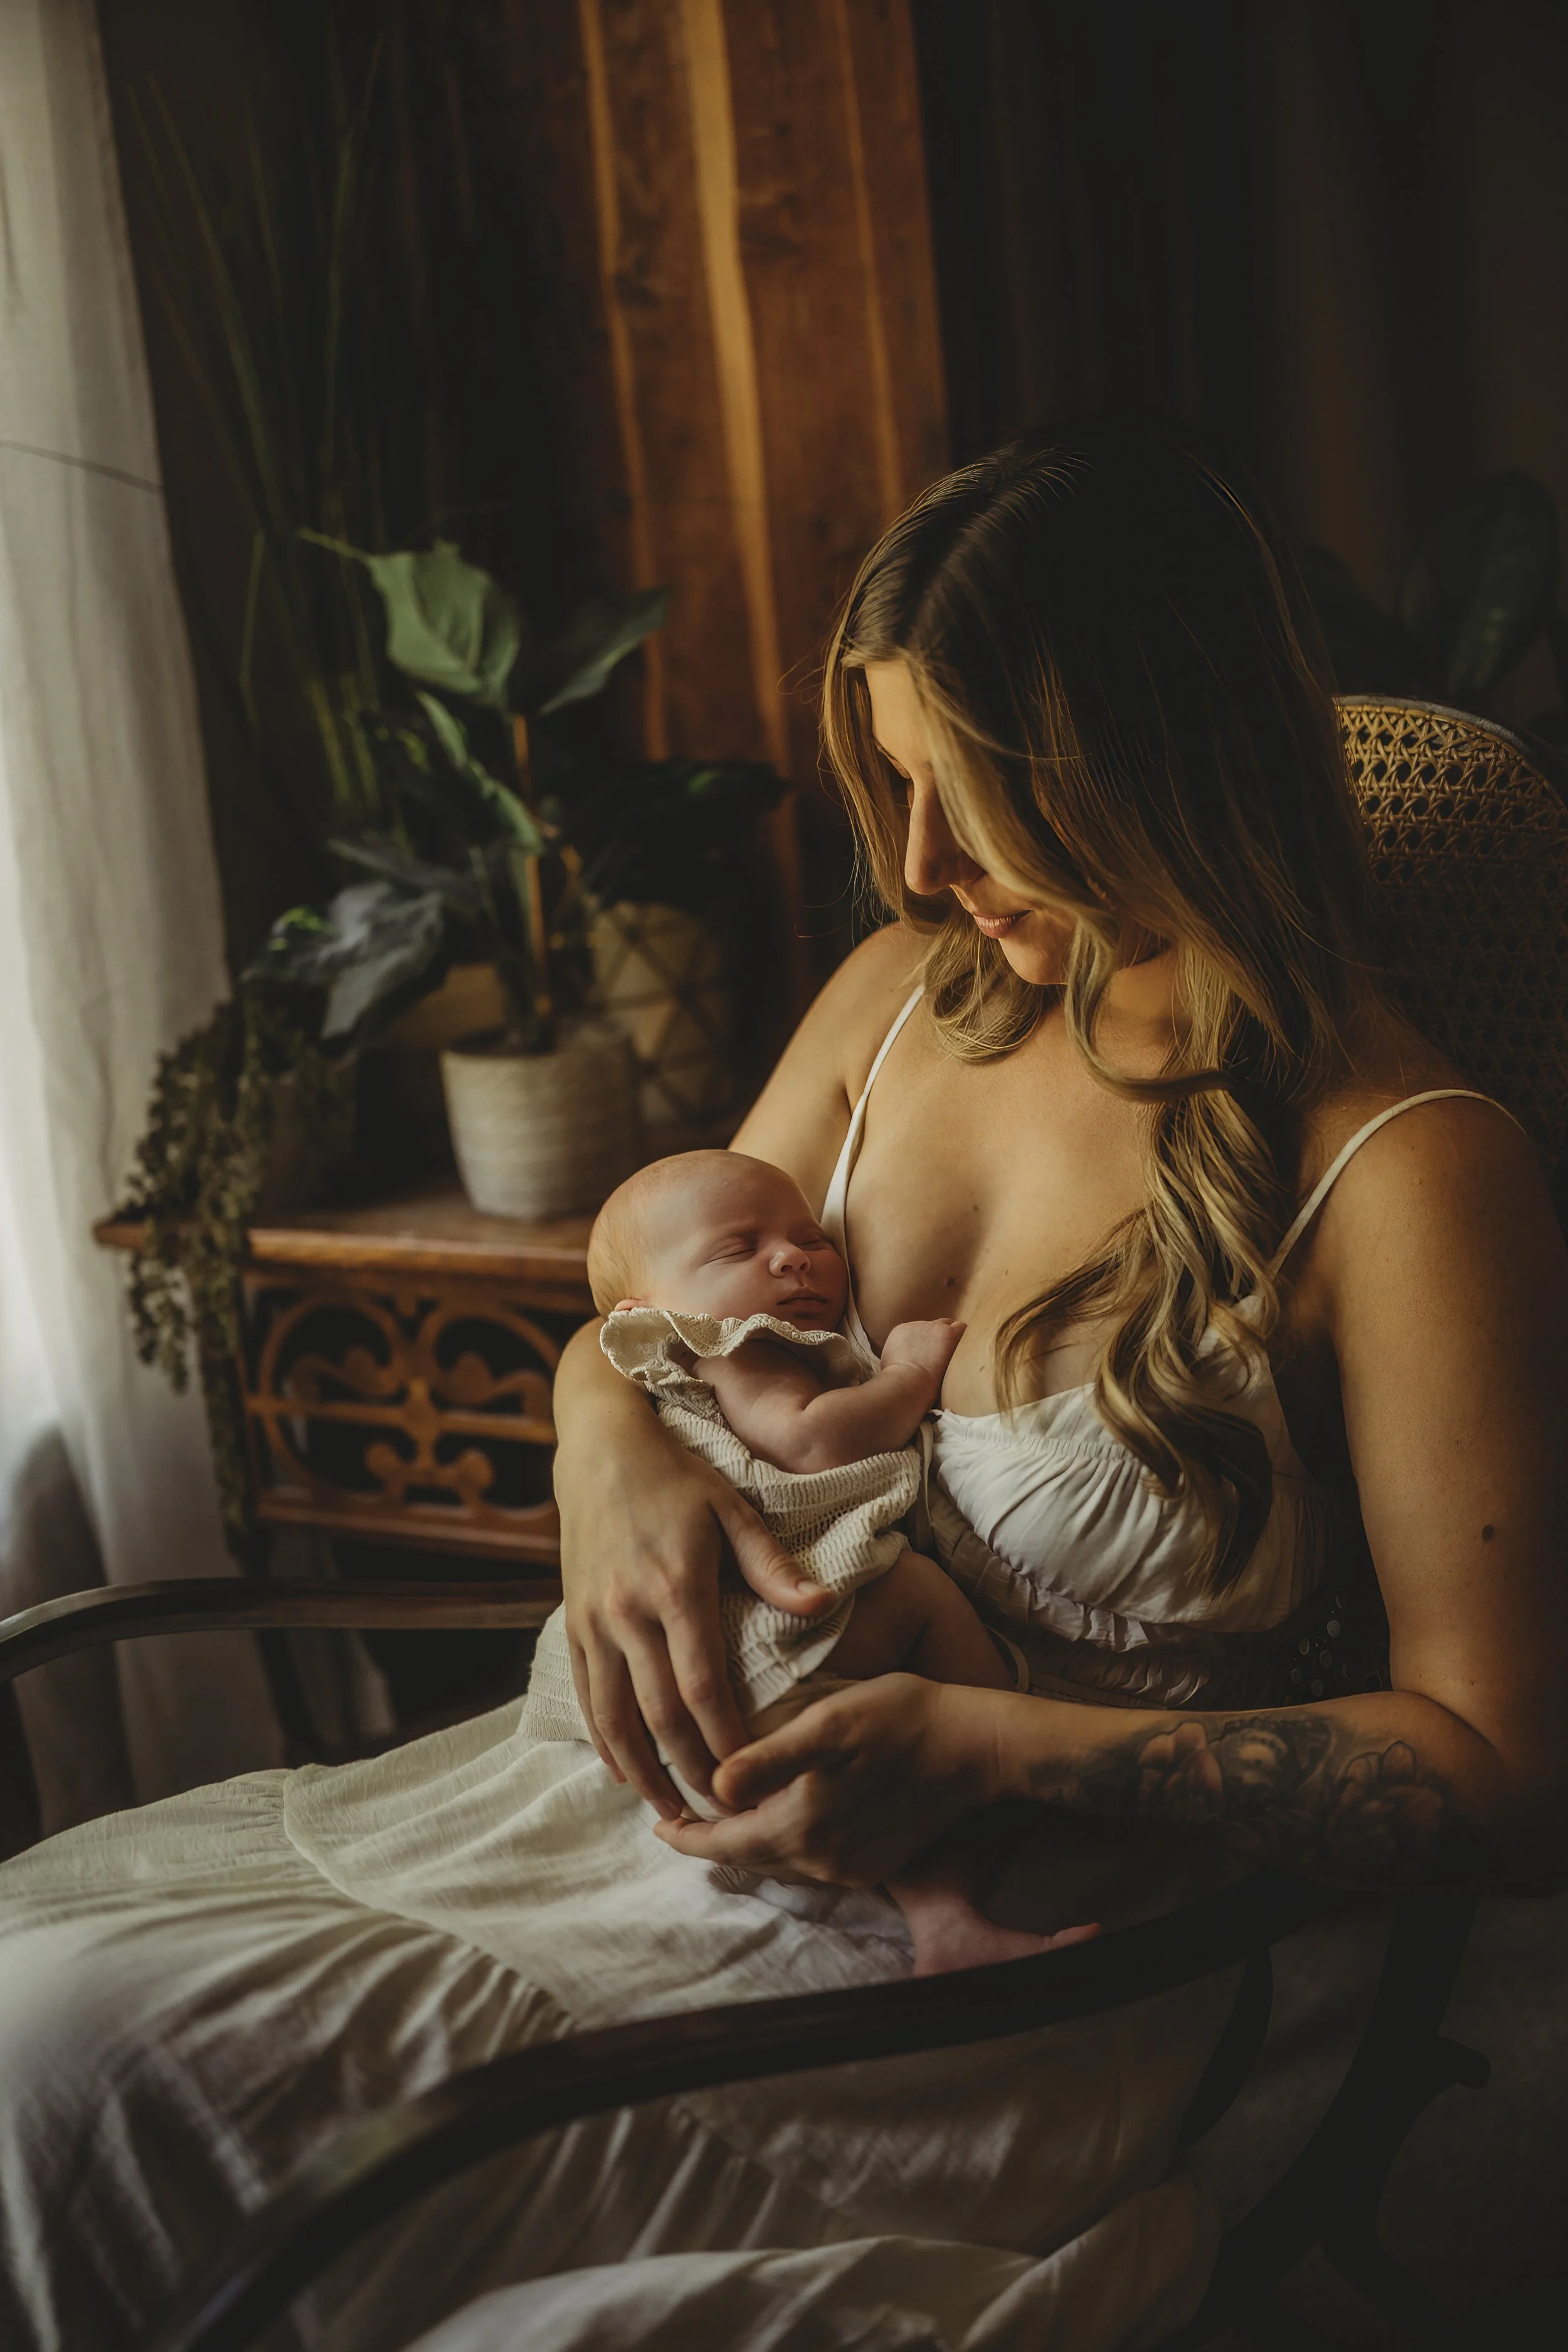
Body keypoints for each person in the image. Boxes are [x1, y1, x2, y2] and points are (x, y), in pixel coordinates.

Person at [3, 416, 1565, 2352]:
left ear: (1152, 757)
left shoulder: (1404, 1168)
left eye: (970, 794)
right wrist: (600, 1434)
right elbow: (640, 1283)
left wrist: (1000, 1749)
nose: (912, 862)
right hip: (594, 1823)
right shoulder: (896, 1001)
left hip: (978, 1972)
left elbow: (1505, 1775)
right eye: (892, 784)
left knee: (332, 2227)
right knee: (47, 2036)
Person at [521, 1147, 1100, 1975]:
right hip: (759, 1631)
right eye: (738, 1249)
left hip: (707, 1660)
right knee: (919, 1592)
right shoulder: (732, 1345)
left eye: (808, 1236)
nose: (793, 1255)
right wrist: (907, 1373)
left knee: (882, 1779)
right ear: (651, 1309)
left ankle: (945, 1917)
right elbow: (810, 1438)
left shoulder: (721, 1342)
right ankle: (1018, 1775)